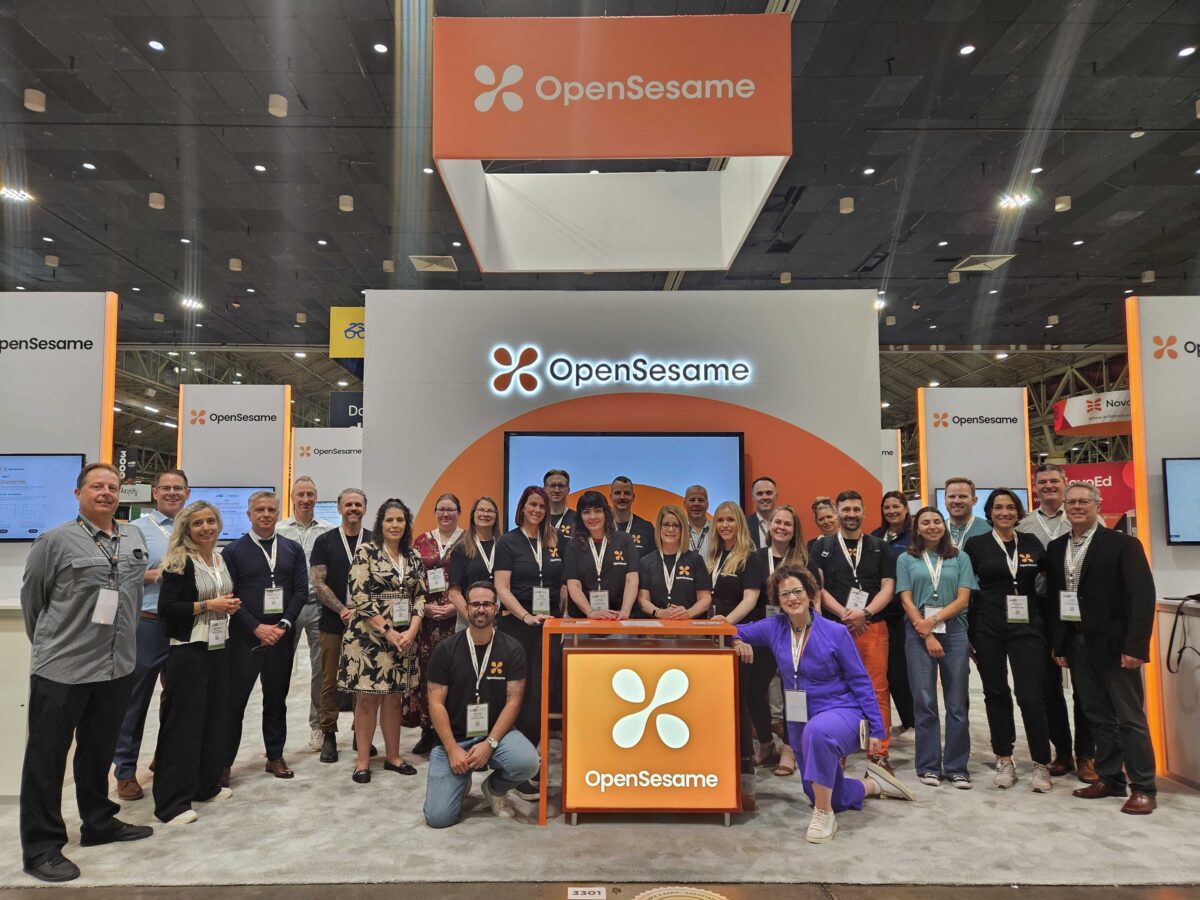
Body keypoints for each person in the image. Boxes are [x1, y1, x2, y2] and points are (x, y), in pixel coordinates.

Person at [19, 462, 153, 883]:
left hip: (116, 666)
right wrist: (54, 645)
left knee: (98, 752)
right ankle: (41, 847)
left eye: (113, 487)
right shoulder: (54, 541)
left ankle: (98, 822)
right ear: (78, 493)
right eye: (97, 486)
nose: (106, 493)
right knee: (47, 759)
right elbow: (33, 605)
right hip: (63, 668)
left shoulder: (132, 536)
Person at [732, 565, 914, 843]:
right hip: (799, 719)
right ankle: (873, 784)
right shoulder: (774, 628)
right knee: (826, 791)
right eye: (785, 594)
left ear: (810, 593)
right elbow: (730, 628)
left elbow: (861, 681)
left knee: (819, 737)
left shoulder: (835, 632)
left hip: (841, 711)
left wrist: (878, 729)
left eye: (797, 591)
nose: (792, 598)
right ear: (777, 600)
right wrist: (735, 640)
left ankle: (823, 814)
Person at [1046, 482, 1158, 814]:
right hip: (1077, 642)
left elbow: (1141, 597)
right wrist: (1060, 644)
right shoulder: (1056, 548)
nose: (1077, 507)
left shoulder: (1123, 544)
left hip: (1114, 646)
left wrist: (1135, 646)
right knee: (1097, 715)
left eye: (1084, 501)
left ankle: (1143, 787)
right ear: (1064, 507)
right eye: (1072, 502)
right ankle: (1110, 779)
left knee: (1130, 718)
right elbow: (1057, 600)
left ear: (1098, 504)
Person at [152, 501, 241, 825]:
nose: (206, 528)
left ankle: (206, 785)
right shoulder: (178, 561)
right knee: (182, 727)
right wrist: (208, 604)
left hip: (219, 646)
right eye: (198, 523)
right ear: (187, 529)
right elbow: (168, 608)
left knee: (215, 720)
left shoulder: (219, 558)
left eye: (211, 521)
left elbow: (222, 595)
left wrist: (228, 605)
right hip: (188, 651)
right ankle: (171, 803)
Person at [423, 581, 540, 827]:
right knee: (438, 818)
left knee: (528, 762)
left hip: (495, 736)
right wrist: (452, 748)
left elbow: (514, 700)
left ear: (496, 608)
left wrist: (490, 743)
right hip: (454, 739)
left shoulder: (512, 649)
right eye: (475, 604)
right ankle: (461, 777)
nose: (480, 609)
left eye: (487, 604)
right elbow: (435, 703)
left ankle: (495, 789)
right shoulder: (446, 649)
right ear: (466, 608)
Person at [964, 489, 1053, 792]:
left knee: (1030, 695)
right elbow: (966, 590)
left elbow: (1047, 583)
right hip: (988, 625)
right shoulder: (975, 545)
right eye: (998, 507)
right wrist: (968, 634)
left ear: (1018, 512)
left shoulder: (1031, 542)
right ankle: (1005, 757)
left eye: (1010, 507)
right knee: (996, 692)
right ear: (989, 512)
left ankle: (1041, 762)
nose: (1004, 512)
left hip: (1028, 626)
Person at [112, 468, 190, 802]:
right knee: (135, 699)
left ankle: (167, 756)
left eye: (179, 488)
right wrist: (157, 574)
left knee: (179, 697)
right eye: (167, 488)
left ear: (187, 492)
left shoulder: (193, 528)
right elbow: (121, 572)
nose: (173, 493)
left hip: (185, 623)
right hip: (148, 622)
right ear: (155, 492)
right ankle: (125, 770)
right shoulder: (136, 530)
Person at [221, 491, 309, 783]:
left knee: (276, 699)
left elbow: (300, 591)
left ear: (278, 513)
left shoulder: (292, 549)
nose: (266, 514)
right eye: (260, 510)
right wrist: (256, 627)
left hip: (281, 636)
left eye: (272, 509)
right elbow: (229, 595)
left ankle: (275, 755)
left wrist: (283, 624)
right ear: (249, 514)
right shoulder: (233, 552)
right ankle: (223, 762)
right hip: (246, 637)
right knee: (235, 702)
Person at [807, 490, 896, 773]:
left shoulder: (880, 547)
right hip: (836, 629)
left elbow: (888, 588)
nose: (851, 514)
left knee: (877, 689)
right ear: (837, 512)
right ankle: (840, 747)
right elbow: (817, 589)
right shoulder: (821, 547)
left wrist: (865, 612)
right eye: (845, 509)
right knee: (836, 689)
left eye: (856, 509)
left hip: (873, 626)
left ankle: (880, 750)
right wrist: (844, 614)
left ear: (864, 512)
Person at [1018, 462, 1095, 782]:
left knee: (1085, 686)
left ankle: (1087, 755)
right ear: (1034, 487)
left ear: (1064, 484)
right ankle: (1061, 751)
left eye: (1054, 481)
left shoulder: (1084, 518)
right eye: (1042, 482)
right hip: (1040, 610)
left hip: (1080, 610)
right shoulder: (1023, 525)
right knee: (1047, 686)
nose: (1048, 486)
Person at [340, 498, 427, 782]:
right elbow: (360, 598)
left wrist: (412, 630)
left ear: (407, 524)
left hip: (404, 637)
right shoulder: (366, 552)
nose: (395, 525)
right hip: (369, 638)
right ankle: (363, 761)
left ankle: (393, 756)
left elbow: (420, 596)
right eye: (389, 520)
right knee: (367, 700)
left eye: (400, 520)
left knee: (394, 699)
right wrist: (388, 631)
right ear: (381, 523)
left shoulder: (412, 557)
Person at [896, 506, 978, 788]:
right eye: (925, 523)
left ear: (943, 526)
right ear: (916, 528)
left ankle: (957, 767)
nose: (932, 526)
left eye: (936, 522)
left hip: (954, 631)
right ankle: (928, 765)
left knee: (957, 702)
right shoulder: (907, 558)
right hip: (917, 630)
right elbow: (906, 599)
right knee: (925, 701)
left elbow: (963, 599)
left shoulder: (960, 557)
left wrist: (933, 621)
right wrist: (925, 629)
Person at [494, 485, 564, 800]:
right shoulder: (508, 542)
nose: (537, 510)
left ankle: (524, 764)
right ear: (522, 507)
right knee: (516, 695)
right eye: (532, 504)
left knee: (541, 698)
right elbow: (502, 587)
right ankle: (512, 768)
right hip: (517, 627)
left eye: (542, 506)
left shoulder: (554, 541)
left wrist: (560, 620)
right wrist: (524, 616)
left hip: (547, 628)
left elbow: (561, 586)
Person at [706, 500, 767, 794]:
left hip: (738, 636)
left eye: (730, 520)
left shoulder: (749, 558)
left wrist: (728, 627)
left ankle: (743, 767)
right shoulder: (713, 557)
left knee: (739, 702)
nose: (725, 525)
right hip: (716, 639)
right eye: (720, 521)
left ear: (740, 523)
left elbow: (750, 600)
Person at [309, 488, 371, 763]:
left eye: (358, 504)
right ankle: (329, 734)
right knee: (330, 680)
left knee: (363, 681)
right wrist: (343, 609)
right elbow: (318, 582)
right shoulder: (325, 541)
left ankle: (362, 732)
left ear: (365, 509)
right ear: (339, 508)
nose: (353, 508)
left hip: (368, 622)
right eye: (348, 504)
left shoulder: (374, 540)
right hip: (333, 621)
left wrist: (361, 611)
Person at [277, 475, 335, 754]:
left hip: (318, 607)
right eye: (300, 494)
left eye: (310, 494)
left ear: (316, 497)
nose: (305, 499)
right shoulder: (278, 530)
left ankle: (319, 726)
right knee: (279, 669)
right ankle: (275, 732)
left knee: (321, 670)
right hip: (286, 607)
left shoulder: (327, 530)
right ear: (292, 497)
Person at [410, 493, 465, 755]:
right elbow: (411, 579)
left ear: (459, 512)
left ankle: (452, 732)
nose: (446, 514)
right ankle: (427, 730)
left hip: (460, 619)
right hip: (428, 620)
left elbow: (476, 577)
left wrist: (458, 607)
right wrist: (424, 607)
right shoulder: (421, 541)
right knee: (428, 675)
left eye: (451, 509)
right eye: (441, 509)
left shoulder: (469, 540)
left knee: (456, 675)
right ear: (435, 512)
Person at [756, 504, 808, 776]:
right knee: (755, 691)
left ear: (794, 529)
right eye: (777, 522)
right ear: (769, 525)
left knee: (794, 693)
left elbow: (815, 598)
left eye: (788, 523)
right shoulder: (756, 558)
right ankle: (766, 743)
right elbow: (751, 598)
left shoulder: (803, 559)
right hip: (766, 634)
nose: (781, 527)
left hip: (796, 633)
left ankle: (790, 747)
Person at [870, 490, 915, 738]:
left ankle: (913, 720)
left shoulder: (914, 537)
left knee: (903, 669)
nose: (891, 511)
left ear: (906, 508)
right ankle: (898, 720)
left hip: (906, 613)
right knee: (884, 671)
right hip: (880, 613)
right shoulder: (875, 537)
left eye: (896, 506)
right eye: (887, 507)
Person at [564, 491, 641, 620]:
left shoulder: (624, 540)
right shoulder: (573, 546)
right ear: (580, 517)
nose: (592, 516)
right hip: (584, 619)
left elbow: (632, 580)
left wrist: (625, 611)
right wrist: (590, 612)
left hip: (618, 617)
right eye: (586, 512)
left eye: (598, 511)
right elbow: (574, 585)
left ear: (606, 513)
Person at [636, 505, 713, 620]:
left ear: (682, 529)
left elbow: (705, 599)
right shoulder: (646, 562)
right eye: (666, 524)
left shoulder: (696, 560)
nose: (670, 529)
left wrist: (687, 613)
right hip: (656, 629)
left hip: (689, 629)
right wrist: (659, 612)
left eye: (676, 525)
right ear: (659, 528)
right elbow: (643, 600)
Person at [448, 496, 500, 618]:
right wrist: (472, 618)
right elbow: (454, 593)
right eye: (481, 510)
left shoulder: (504, 547)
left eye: (490, 511)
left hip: (500, 620)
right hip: (469, 619)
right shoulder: (461, 549)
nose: (485, 514)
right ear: (473, 514)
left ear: (496, 516)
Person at [609, 476, 656, 554]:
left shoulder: (647, 528)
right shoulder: (601, 528)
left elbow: (653, 563)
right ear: (611, 497)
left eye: (627, 493)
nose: (622, 497)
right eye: (617, 493)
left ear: (633, 497)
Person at [943, 477, 991, 549]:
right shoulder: (937, 529)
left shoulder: (988, 529)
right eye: (951, 496)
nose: (956, 501)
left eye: (962, 496)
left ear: (974, 500)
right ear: (945, 500)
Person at [745, 476, 778, 550]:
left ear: (776, 496)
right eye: (760, 494)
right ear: (753, 498)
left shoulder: (786, 523)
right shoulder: (743, 524)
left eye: (769, 493)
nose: (764, 497)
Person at [543, 469, 576, 538]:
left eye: (561, 486)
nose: (557, 490)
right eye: (552, 486)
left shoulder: (578, 519)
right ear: (544, 489)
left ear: (568, 490)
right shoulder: (536, 518)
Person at [684, 484, 712, 556]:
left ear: (707, 504)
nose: (696, 503)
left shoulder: (717, 530)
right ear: (685, 504)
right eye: (692, 500)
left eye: (701, 500)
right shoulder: (677, 530)